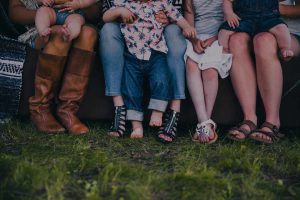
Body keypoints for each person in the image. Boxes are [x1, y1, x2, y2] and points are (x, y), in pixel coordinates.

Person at [102, 0, 196, 138]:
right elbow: (105, 17)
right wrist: (119, 11)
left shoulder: (161, 3)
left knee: (161, 80)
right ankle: (136, 126)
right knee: (131, 89)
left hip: (155, 52)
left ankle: (158, 112)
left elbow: (177, 15)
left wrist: (187, 27)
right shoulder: (125, 3)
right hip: (132, 54)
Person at [9, 0, 99, 135]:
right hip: (41, 26)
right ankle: (40, 108)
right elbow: (14, 12)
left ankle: (68, 110)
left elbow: (95, 14)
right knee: (57, 34)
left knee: (88, 34)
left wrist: (75, 4)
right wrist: (46, 14)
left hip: (76, 21)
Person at [225, 0, 300, 143]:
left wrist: (272, 7)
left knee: (263, 40)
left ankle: (272, 122)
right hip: (252, 25)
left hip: (289, 34)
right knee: (236, 40)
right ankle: (249, 118)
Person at [184, 0, 232, 143]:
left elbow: (230, 23)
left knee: (210, 69)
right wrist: (194, 40)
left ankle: (205, 121)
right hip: (197, 38)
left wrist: (214, 39)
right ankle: (204, 121)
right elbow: (189, 25)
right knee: (191, 64)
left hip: (219, 38)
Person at [218, 0, 294, 60]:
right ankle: (224, 51)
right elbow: (227, 1)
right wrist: (229, 13)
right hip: (243, 19)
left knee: (281, 27)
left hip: (268, 18)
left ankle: (285, 48)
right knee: (224, 31)